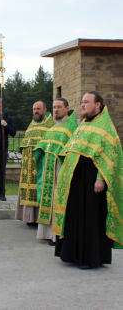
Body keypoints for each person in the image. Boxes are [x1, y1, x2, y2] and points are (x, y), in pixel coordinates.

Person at [54, 92, 123, 269]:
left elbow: (109, 155)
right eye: (81, 102)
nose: (82, 105)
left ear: (98, 105)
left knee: (90, 218)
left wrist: (101, 179)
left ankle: (90, 258)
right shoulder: (83, 124)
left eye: (86, 102)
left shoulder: (106, 126)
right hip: (75, 180)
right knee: (76, 215)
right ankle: (72, 254)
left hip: (92, 180)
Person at [33, 98, 78, 245]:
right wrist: (38, 150)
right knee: (48, 200)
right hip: (48, 168)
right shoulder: (53, 127)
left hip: (60, 168)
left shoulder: (72, 127)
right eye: (54, 107)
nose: (56, 110)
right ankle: (47, 233)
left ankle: (57, 235)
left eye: (59, 107)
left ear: (67, 108)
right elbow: (43, 143)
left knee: (57, 200)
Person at [15, 101, 54, 226]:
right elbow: (25, 143)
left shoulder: (50, 123)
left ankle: (38, 218)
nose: (36, 111)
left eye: (38, 109)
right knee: (27, 189)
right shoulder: (32, 124)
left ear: (45, 109)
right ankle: (29, 218)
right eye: (34, 109)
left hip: (40, 164)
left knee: (39, 188)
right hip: (27, 164)